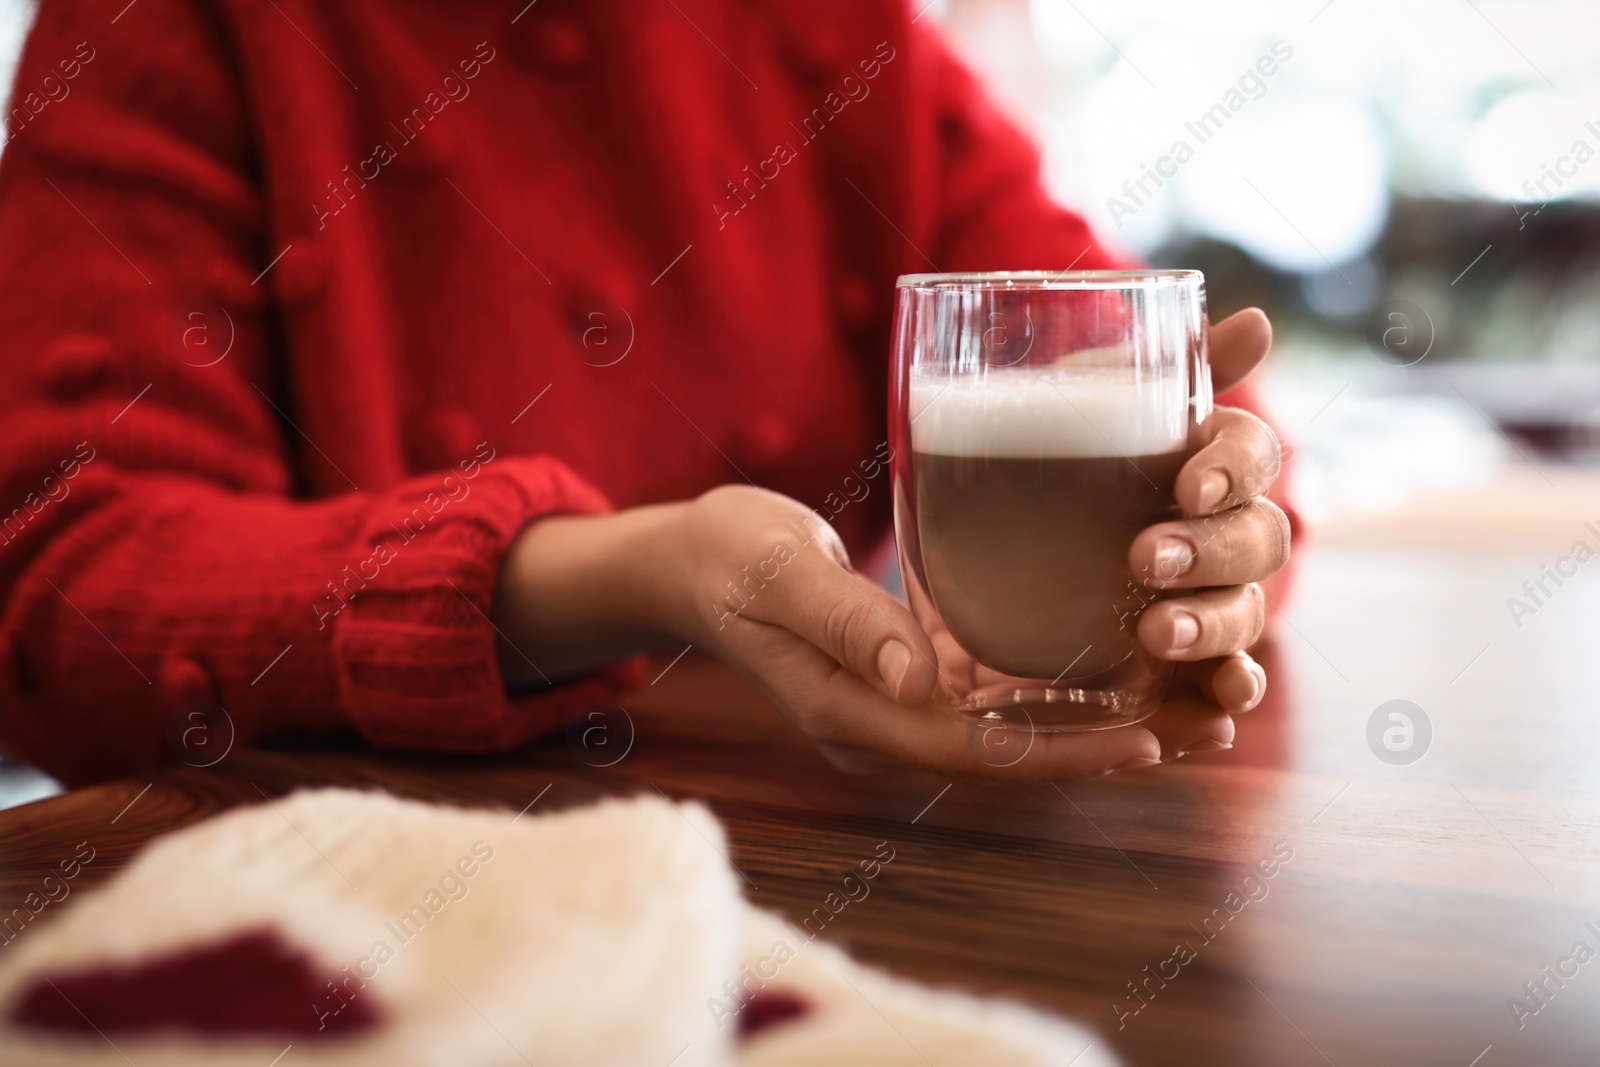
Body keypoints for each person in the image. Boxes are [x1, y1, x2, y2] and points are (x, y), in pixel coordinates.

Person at [0, 0, 1292, 786]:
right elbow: (56, 582)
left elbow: (1167, 373)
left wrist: (1202, 548)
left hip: (824, 895)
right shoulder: (184, 22)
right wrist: (630, 575)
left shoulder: (843, 31)